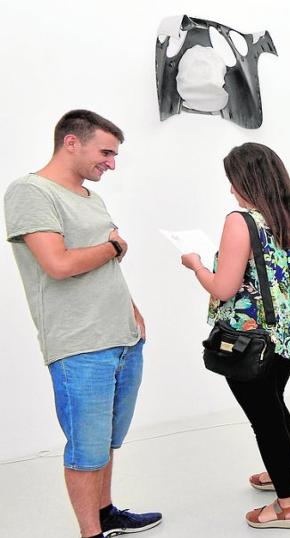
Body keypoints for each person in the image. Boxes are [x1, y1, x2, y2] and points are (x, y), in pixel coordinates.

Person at [4, 110, 162, 538]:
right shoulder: (30, 191)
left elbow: (107, 257)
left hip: (123, 338)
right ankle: (90, 533)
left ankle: (107, 512)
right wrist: (112, 247)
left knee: (107, 440)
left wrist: (132, 310)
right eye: (105, 152)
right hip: (79, 344)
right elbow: (57, 265)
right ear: (71, 142)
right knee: (85, 448)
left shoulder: (92, 197)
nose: (111, 163)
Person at [179, 142, 290, 529]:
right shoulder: (288, 218)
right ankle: (280, 474)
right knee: (274, 404)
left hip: (254, 343)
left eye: (232, 179)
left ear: (245, 180)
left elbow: (224, 288)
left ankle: (287, 506)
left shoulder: (241, 220)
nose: (230, 188)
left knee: (264, 416)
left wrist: (196, 265)